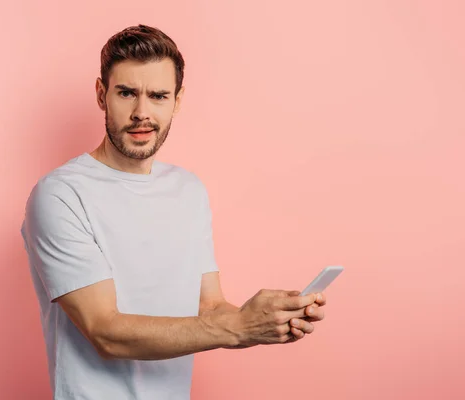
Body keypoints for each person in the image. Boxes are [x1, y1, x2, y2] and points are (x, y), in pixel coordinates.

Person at [21, 24, 327, 400]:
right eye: (127, 93)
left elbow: (209, 308)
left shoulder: (188, 190)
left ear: (177, 101)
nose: (141, 112)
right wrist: (242, 328)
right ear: (102, 95)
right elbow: (105, 331)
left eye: (158, 95)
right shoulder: (61, 194)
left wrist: (270, 320)